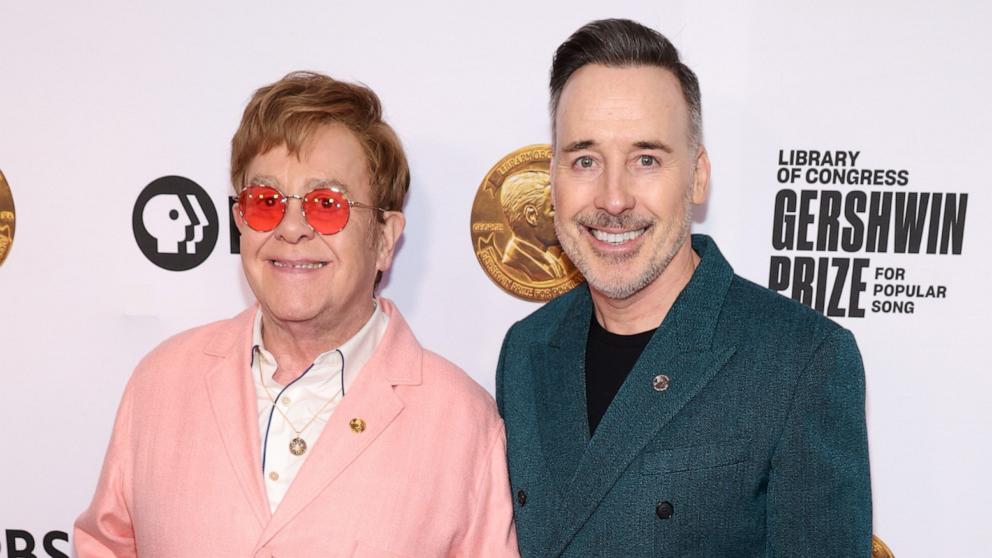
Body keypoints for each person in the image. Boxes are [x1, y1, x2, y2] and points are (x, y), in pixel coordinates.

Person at [75, 71, 518, 557]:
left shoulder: (463, 424)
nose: (291, 228)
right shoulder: (160, 382)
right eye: (265, 202)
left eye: (326, 204)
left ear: (384, 238)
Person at [496, 19, 871, 557]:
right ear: (552, 178)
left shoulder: (802, 361)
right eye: (585, 160)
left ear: (697, 177)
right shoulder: (526, 350)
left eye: (646, 159)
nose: (614, 197)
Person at [499, 170, 568, 282]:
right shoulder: (514, 262)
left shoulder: (550, 259)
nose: (564, 217)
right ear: (531, 216)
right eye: (554, 209)